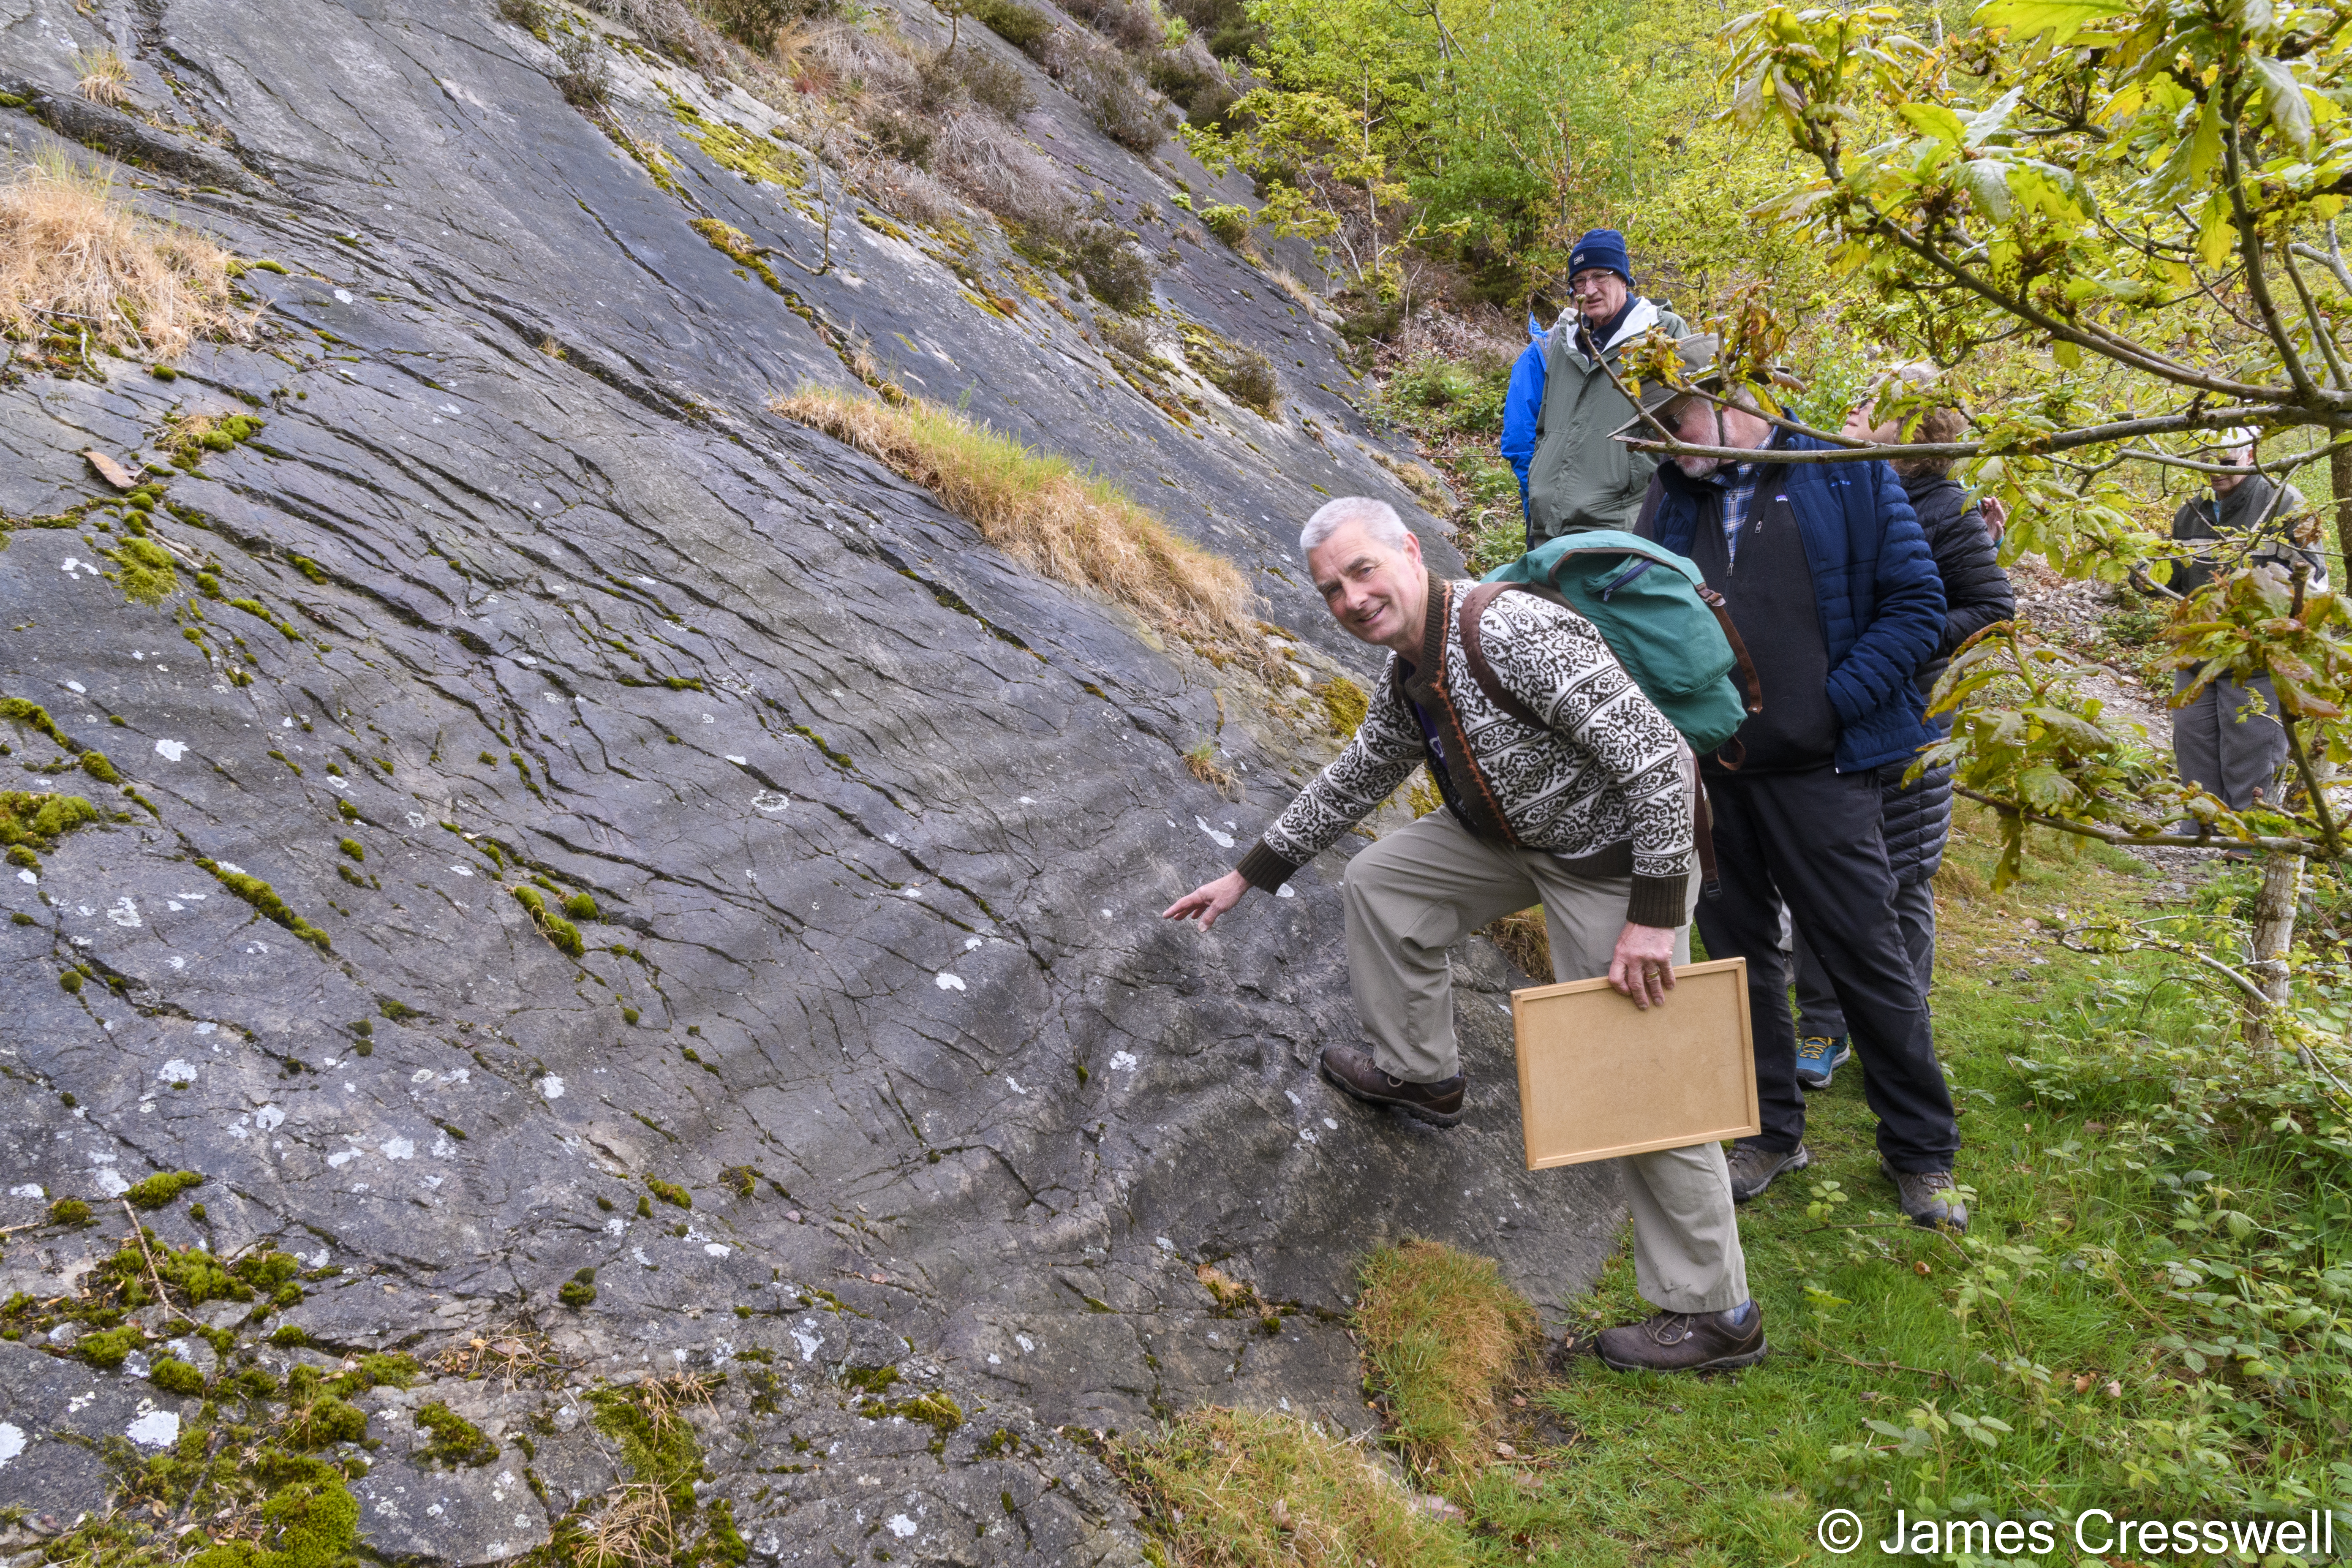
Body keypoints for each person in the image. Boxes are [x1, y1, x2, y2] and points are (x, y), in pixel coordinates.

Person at [1164, 495, 1767, 1373]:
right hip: (1518, 840)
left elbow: (1660, 761)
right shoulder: (1411, 667)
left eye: (1363, 570)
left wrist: (1653, 913)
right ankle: (1422, 1073)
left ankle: (1719, 1310)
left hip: (1615, 861)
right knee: (1382, 882)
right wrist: (1249, 871)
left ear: (1409, 551)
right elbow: (1362, 770)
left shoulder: (1511, 630)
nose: (1353, 598)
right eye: (1332, 589)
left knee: (1647, 1074)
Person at [1627, 337, 1969, 1229]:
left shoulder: (1845, 471)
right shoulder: (1670, 490)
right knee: (1737, 958)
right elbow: (1639, 605)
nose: (1667, 438)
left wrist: (1834, 704)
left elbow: (1920, 605)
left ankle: (1923, 1153)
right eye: (1656, 425)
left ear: (1738, 398)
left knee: (1866, 954)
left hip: (1824, 769)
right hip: (1715, 772)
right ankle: (1771, 1132)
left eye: (1678, 416)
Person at [1788, 372, 2015, 1092]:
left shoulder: (1946, 512)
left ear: (1917, 429)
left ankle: (1900, 1027)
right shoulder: (1828, 485)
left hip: (1911, 716)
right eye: (1854, 394)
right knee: (1825, 869)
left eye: (1875, 402)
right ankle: (1821, 1025)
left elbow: (1989, 609)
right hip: (1834, 708)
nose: (1853, 404)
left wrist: (1899, 640)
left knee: (1902, 873)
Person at [2161, 434, 2322, 812]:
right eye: (2206, 464)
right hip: (2198, 651)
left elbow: (2315, 585)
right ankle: (2203, 828)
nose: (2215, 472)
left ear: (2251, 455)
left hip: (2257, 656)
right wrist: (2143, 573)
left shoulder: (2285, 503)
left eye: (2226, 463)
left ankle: (2250, 841)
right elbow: (2174, 581)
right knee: (2193, 740)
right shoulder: (2191, 510)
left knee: (2252, 745)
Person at [1500, 230, 1690, 544]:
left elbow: (1683, 429)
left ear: (1625, 278)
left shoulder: (1661, 333)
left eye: (1601, 276)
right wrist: (1537, 486)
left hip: (1617, 531)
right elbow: (1542, 429)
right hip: (1547, 527)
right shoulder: (1564, 341)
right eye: (1579, 281)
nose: (1589, 290)